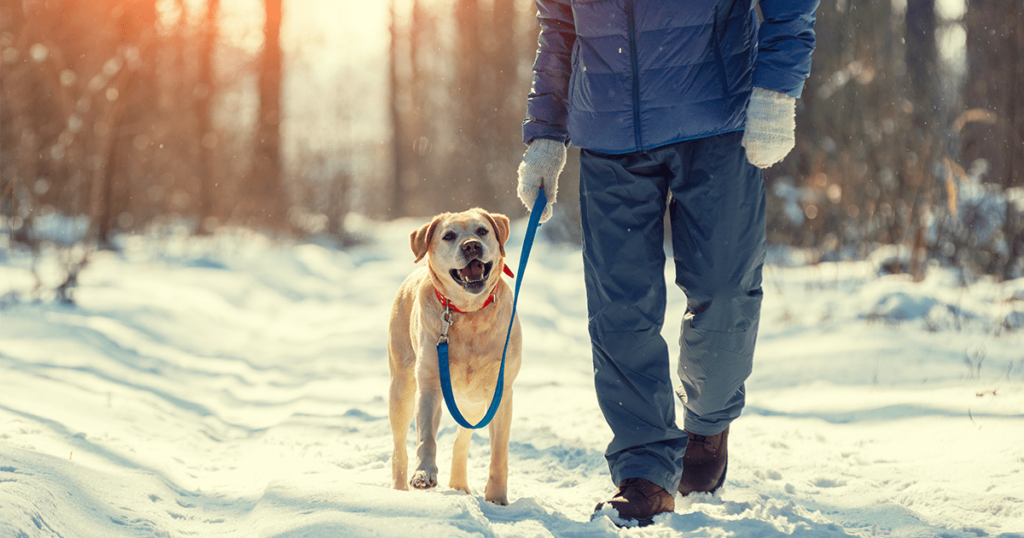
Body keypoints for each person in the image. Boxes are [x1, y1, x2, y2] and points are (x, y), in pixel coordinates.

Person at [516, 0, 819, 526]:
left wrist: (776, 90)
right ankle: (645, 472)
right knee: (619, 309)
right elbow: (560, 24)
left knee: (725, 291)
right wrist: (546, 131)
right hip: (609, 135)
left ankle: (708, 421)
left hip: (716, 122)